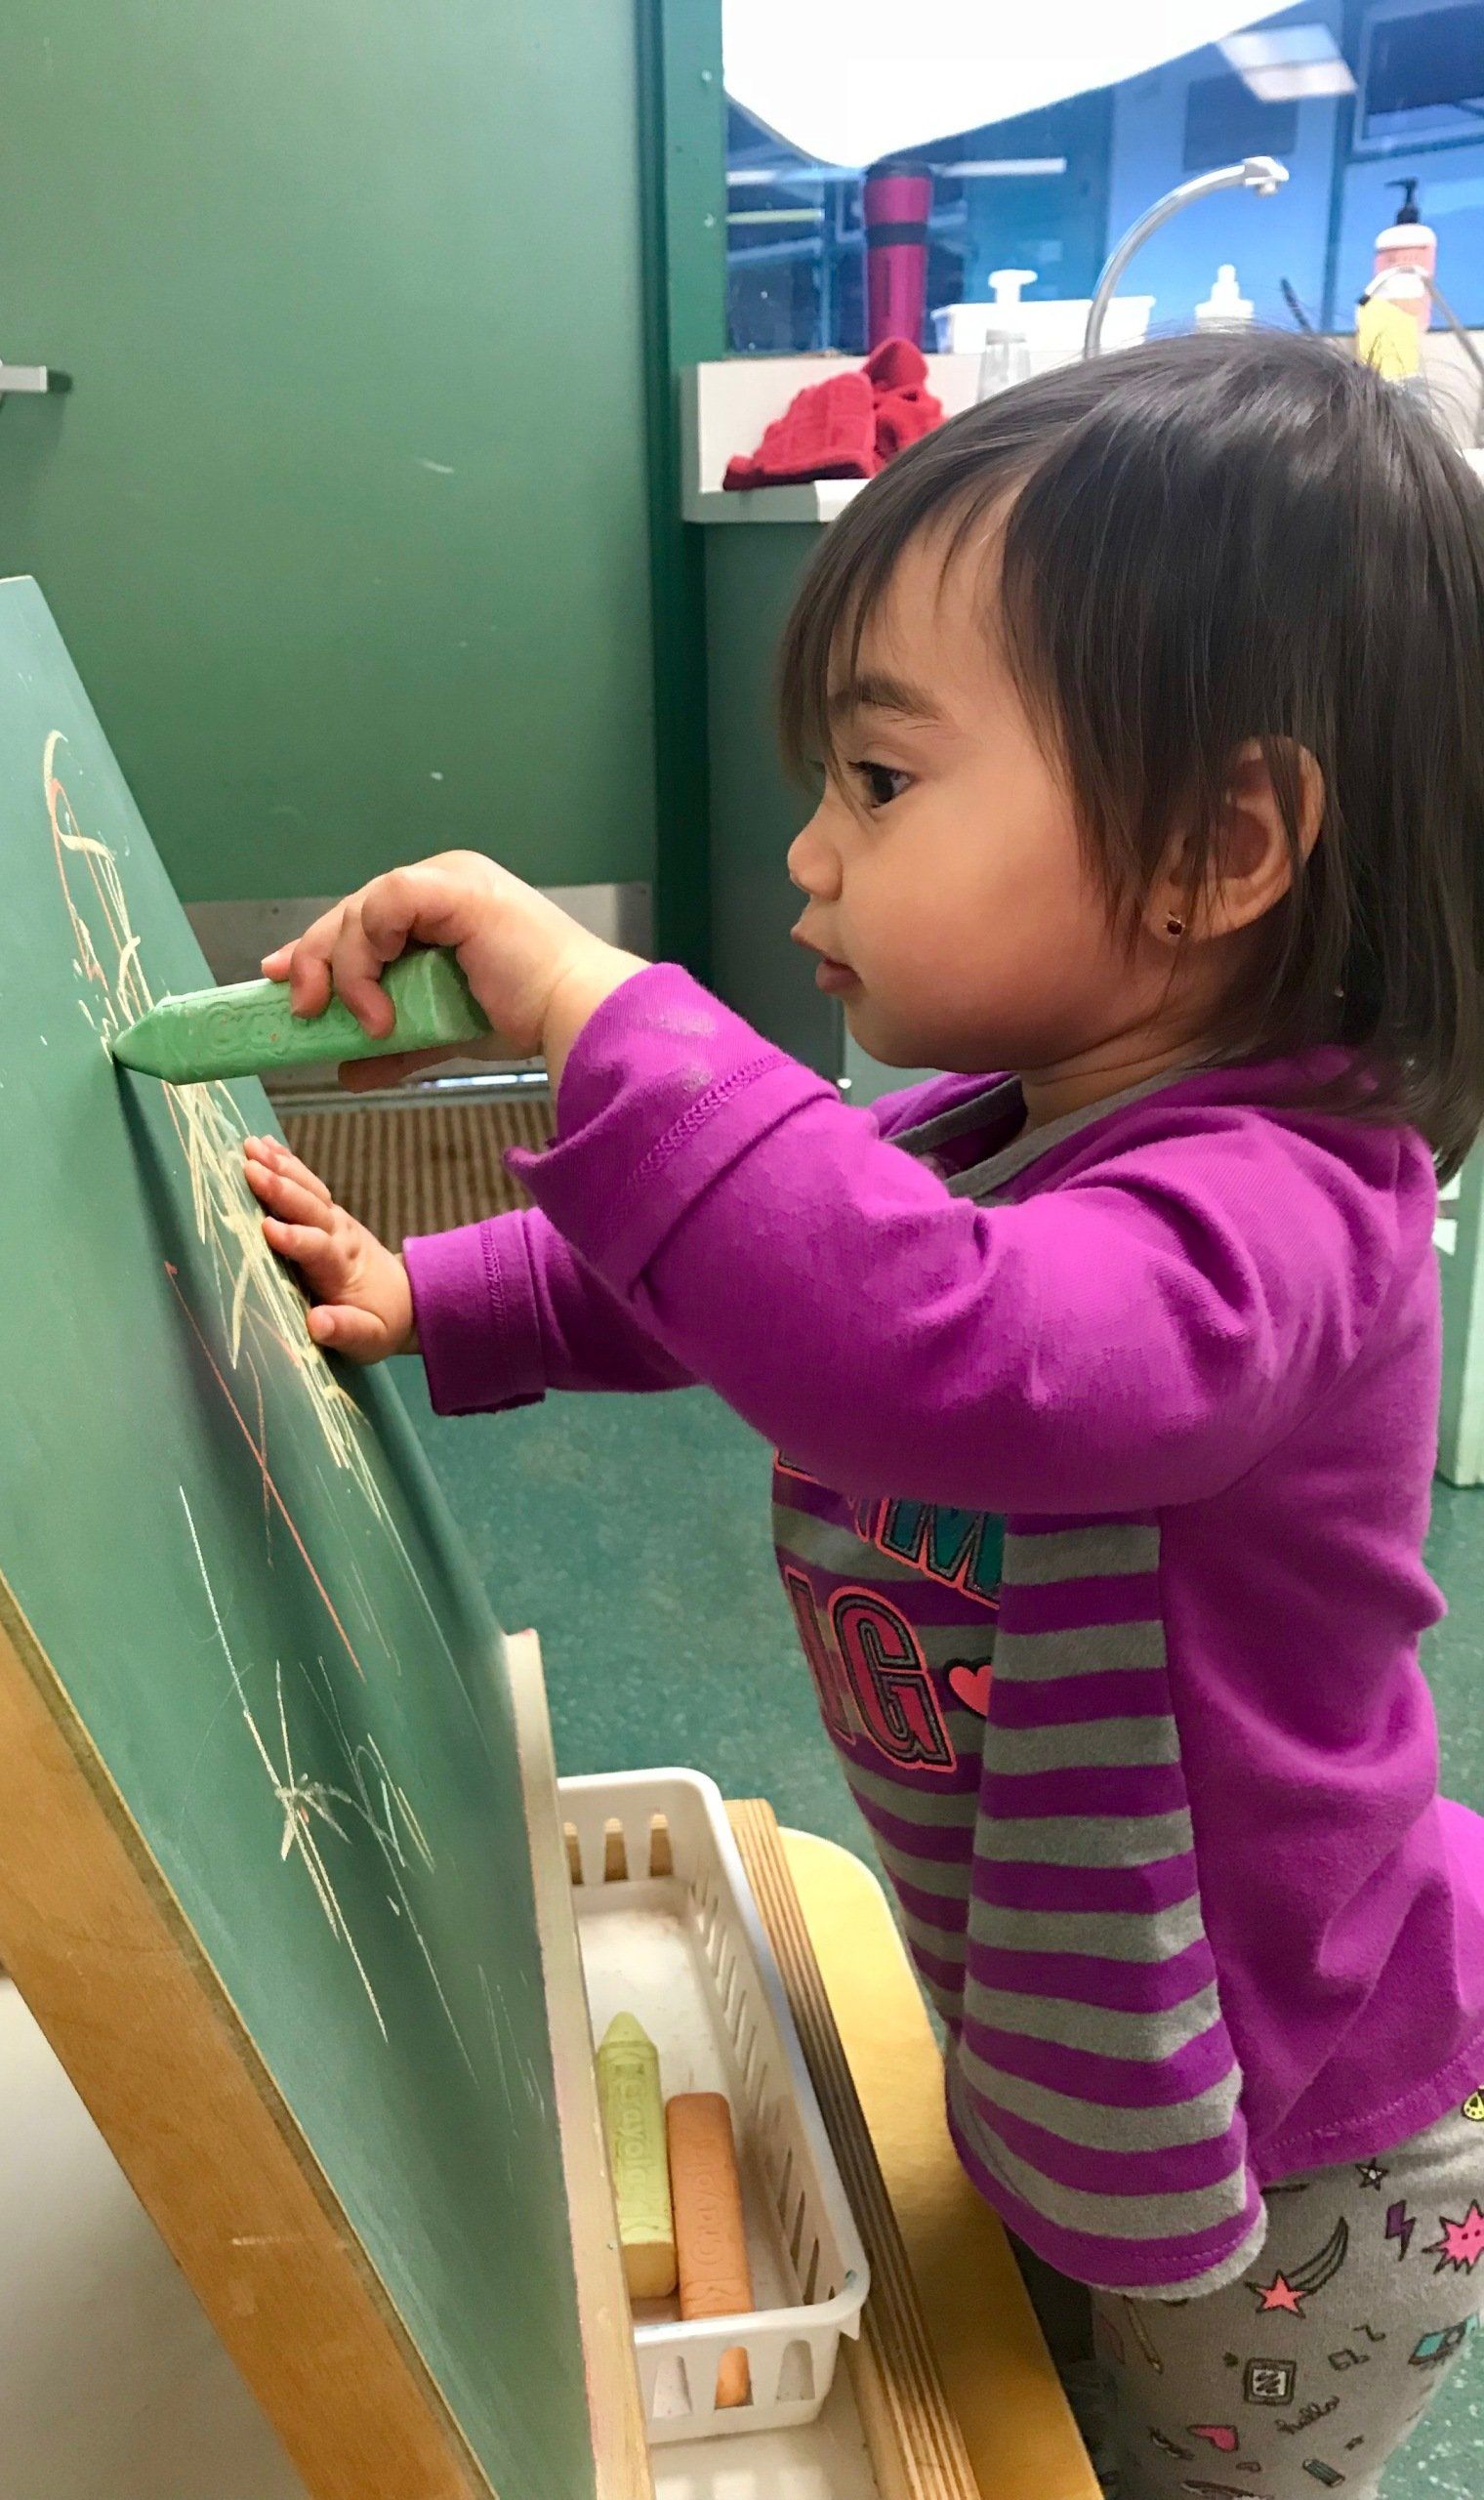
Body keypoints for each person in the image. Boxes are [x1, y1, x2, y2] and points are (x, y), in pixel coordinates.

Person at [242, 334, 1484, 2498]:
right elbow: (758, 1270)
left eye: (881, 784)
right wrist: (429, 1287)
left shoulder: (1285, 1209)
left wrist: (602, 1007)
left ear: (1219, 843)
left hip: (1301, 2138)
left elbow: (931, 1338)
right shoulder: (1012, 1123)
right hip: (1068, 2000)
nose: (809, 856)